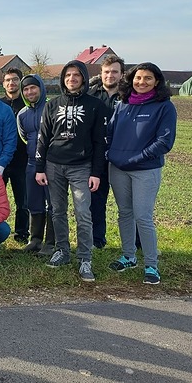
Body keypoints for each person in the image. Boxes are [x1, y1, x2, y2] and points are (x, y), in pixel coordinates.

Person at [35, 60, 108, 283]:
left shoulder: (95, 106)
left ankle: (85, 258)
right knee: (57, 210)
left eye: (76, 75)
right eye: (68, 75)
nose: (72, 79)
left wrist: (96, 172)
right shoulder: (52, 105)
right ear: (63, 79)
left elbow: (100, 143)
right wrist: (40, 168)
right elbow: (43, 137)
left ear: (84, 78)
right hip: (54, 165)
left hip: (82, 166)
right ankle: (63, 251)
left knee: (83, 213)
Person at [107, 63, 176, 285]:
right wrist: (111, 153)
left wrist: (137, 158)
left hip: (146, 170)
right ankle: (128, 256)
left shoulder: (164, 107)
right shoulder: (122, 105)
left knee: (143, 216)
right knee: (124, 213)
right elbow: (110, 132)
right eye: (138, 78)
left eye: (148, 78)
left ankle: (151, 265)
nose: (142, 82)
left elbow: (164, 141)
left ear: (157, 82)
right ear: (131, 80)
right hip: (118, 168)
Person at [88, 55, 126, 249]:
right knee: (96, 201)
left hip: (123, 158)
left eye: (114, 71)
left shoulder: (130, 97)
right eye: (106, 71)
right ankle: (97, 240)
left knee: (128, 204)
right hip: (98, 158)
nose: (110, 75)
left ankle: (136, 242)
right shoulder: (92, 95)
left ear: (121, 74)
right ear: (100, 74)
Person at [16, 74, 54, 254]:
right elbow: (24, 137)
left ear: (41, 88)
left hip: (52, 164)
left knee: (53, 203)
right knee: (34, 201)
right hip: (32, 163)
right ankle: (36, 239)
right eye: (26, 89)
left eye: (33, 87)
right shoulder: (22, 114)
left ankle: (51, 242)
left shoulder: (53, 107)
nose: (29, 91)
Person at [0, 68, 29, 243]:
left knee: (23, 201)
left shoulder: (27, 104)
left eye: (15, 80)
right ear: (3, 84)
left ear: (20, 82)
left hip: (22, 160)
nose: (11, 83)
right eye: (8, 80)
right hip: (2, 161)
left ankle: (22, 233)